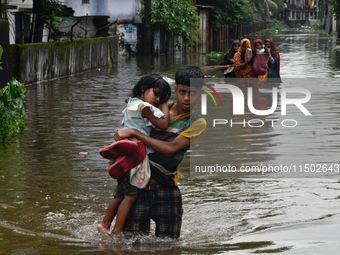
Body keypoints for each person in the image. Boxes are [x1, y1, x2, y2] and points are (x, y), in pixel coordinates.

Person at [112, 65, 206, 239]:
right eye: (182, 92)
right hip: (138, 187)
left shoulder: (197, 122)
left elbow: (170, 150)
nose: (186, 98)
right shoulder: (154, 110)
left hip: (167, 189)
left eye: (193, 93)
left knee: (168, 245)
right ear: (176, 89)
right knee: (130, 242)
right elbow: (129, 126)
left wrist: (135, 133)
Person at [97, 73, 172, 236]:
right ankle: (117, 231)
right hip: (134, 155)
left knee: (119, 193)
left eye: (161, 97)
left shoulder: (132, 103)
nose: (158, 100)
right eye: (157, 94)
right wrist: (166, 104)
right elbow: (164, 124)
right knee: (131, 195)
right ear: (144, 89)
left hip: (123, 153)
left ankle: (105, 224)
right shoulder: (144, 108)